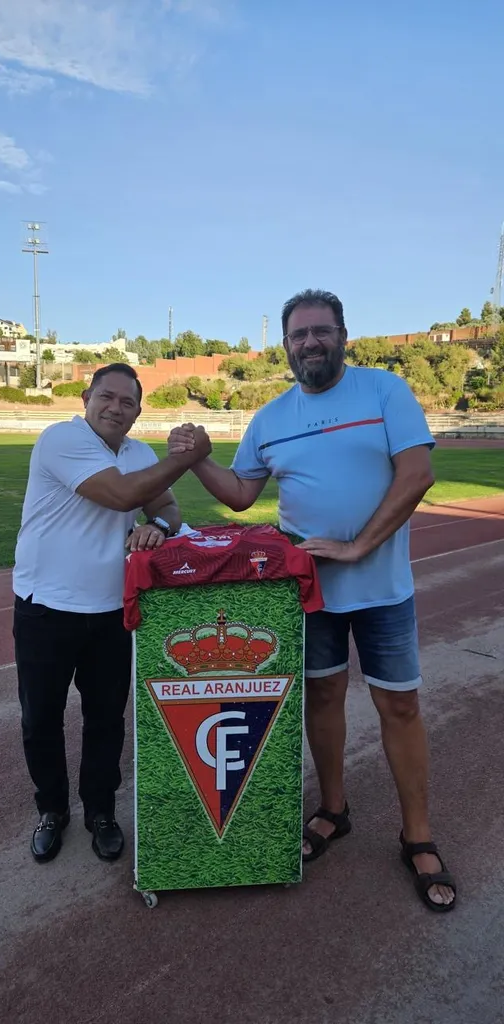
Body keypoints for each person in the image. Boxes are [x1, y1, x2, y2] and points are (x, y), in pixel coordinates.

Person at [168, 291, 456, 912]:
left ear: (343, 336)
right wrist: (196, 461)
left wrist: (357, 547)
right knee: (322, 697)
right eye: (298, 335)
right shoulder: (270, 417)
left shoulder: (384, 391)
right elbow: (241, 495)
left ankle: (418, 836)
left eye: (321, 331)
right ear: (286, 345)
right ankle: (333, 809)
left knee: (399, 706)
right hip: (308, 591)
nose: (310, 343)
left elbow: (417, 475)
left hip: (382, 590)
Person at [13, 362, 211, 864]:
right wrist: (186, 458)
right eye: (107, 396)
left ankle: (100, 811)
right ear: (86, 398)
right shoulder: (61, 440)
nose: (115, 408)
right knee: (41, 718)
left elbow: (167, 507)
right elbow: (123, 494)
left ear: (138, 411)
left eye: (127, 402)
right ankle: (52, 810)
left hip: (111, 612)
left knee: (106, 719)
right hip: (46, 608)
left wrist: (158, 528)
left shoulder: (139, 453)